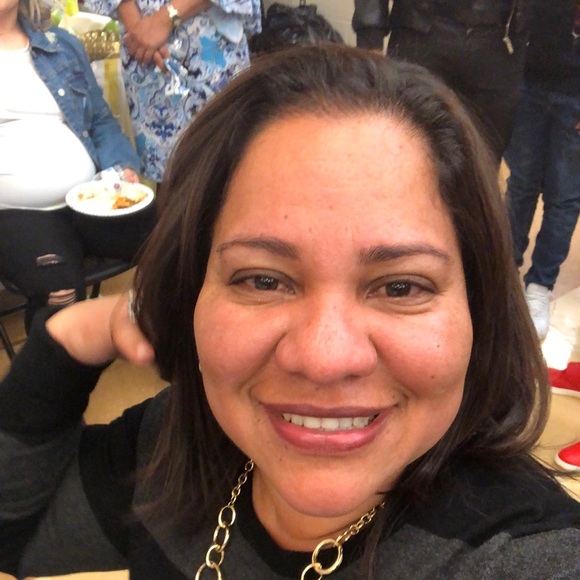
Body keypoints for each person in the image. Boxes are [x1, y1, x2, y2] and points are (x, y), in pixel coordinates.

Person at [1, 45, 579, 578]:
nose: (324, 359)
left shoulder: (524, 554)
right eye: (264, 279)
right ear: (190, 294)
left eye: (401, 287)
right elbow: (14, 532)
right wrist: (75, 336)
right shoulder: (176, 443)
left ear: (478, 310)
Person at [0, 0, 155, 331]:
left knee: (181, 236)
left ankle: (177, 347)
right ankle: (60, 361)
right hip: (13, 214)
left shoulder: (61, 45)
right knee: (60, 290)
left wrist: (121, 167)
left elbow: (100, 122)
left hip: (92, 200)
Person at [81, 0, 262, 184]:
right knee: (164, 181)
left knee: (221, 172)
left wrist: (163, 20)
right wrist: (139, 30)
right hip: (143, 59)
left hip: (209, 51)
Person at [352, 0, 535, 161]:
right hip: (422, 31)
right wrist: (370, 36)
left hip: (501, 40)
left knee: (484, 165)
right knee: (405, 150)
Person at [504, 0, 580, 341]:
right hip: (529, 79)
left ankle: (540, 286)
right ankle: (504, 271)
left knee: (565, 197)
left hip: (575, 94)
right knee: (521, 184)